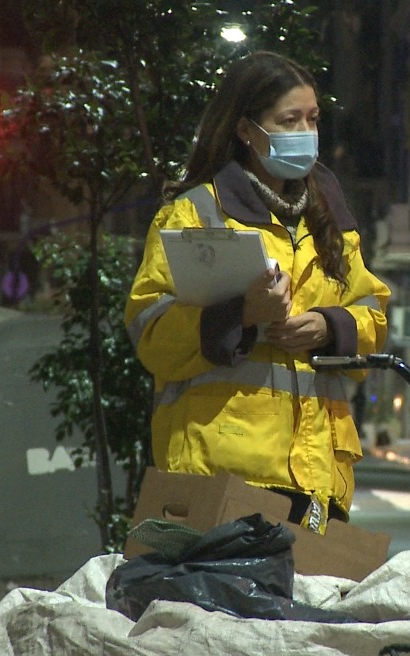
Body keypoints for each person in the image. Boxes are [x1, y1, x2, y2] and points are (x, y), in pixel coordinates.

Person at [125, 51, 390, 534]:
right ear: (246, 130)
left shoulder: (329, 218)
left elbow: (372, 312)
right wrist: (243, 314)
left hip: (316, 477)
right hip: (224, 473)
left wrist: (330, 327)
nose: (306, 132)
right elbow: (151, 332)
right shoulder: (196, 212)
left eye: (312, 119)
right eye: (289, 120)